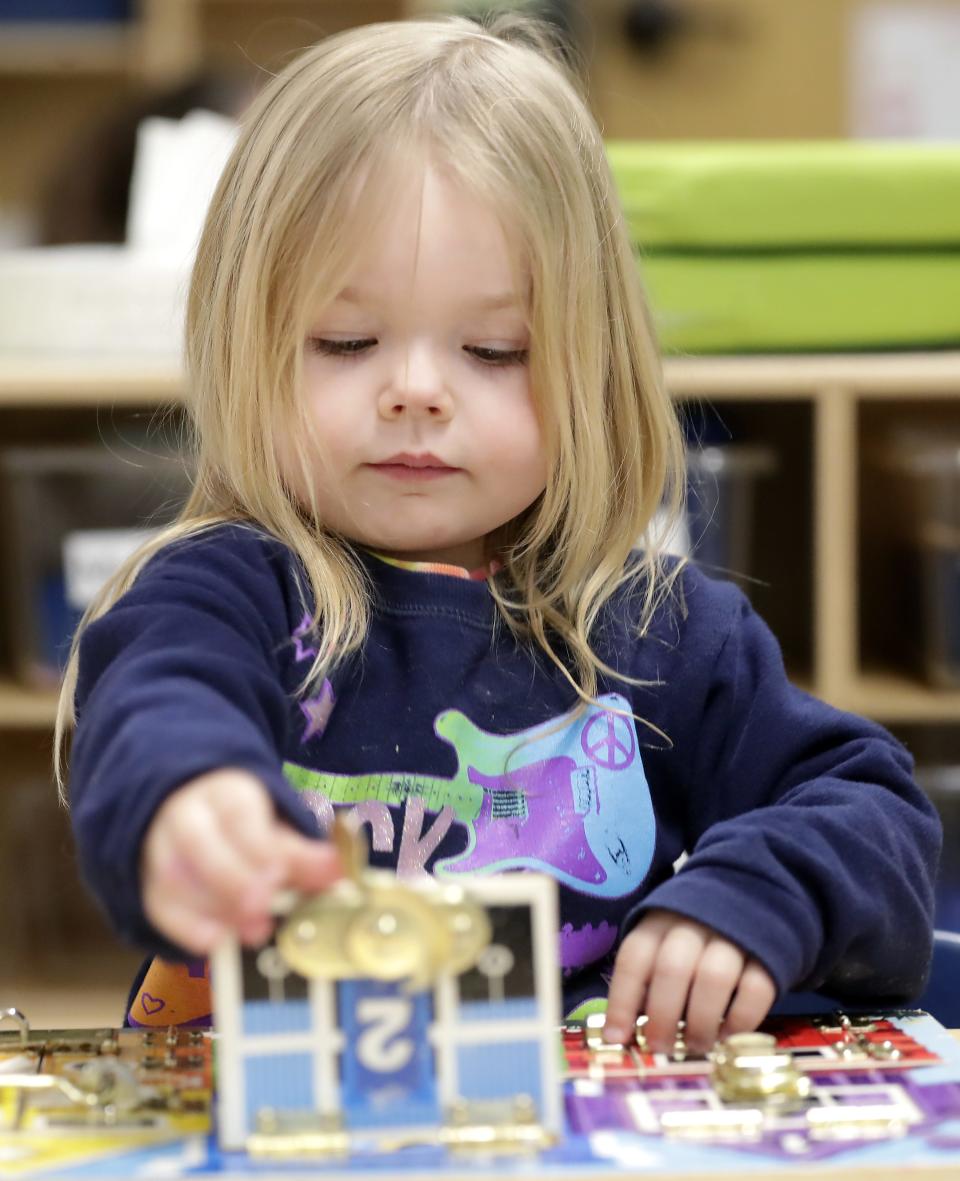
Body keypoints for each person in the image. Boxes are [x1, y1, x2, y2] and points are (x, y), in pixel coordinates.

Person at [59, 14, 940, 1054]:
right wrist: (188, 799)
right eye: (346, 341)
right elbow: (160, 706)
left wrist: (749, 900)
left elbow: (871, 806)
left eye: (492, 348)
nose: (417, 392)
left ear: (586, 362)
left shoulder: (659, 627)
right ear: (241, 342)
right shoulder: (219, 595)